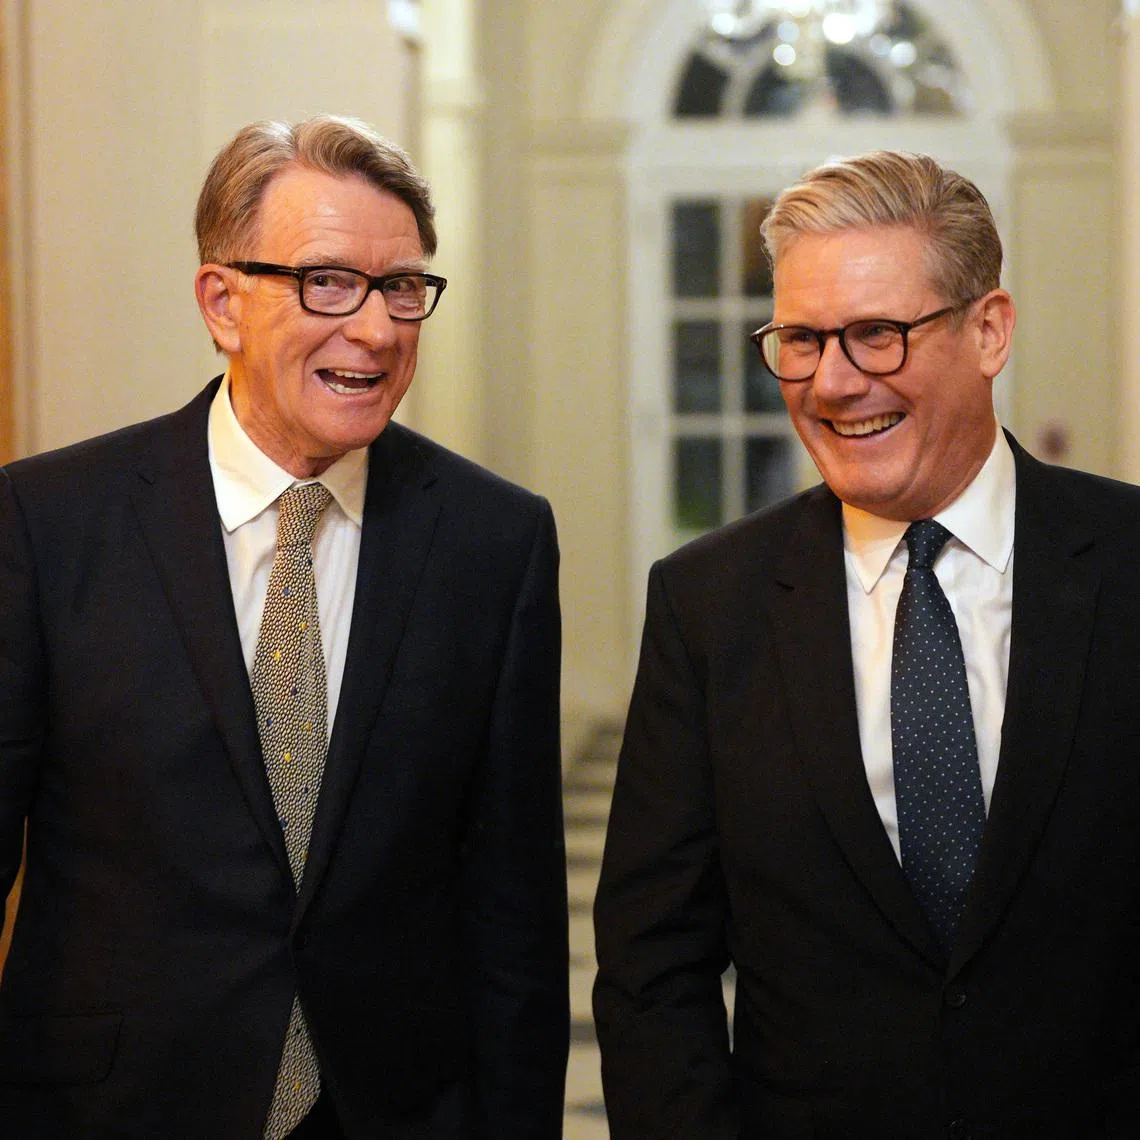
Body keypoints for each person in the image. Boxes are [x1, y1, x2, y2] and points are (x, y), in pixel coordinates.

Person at [0, 115, 568, 1139]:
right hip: (111, 1106)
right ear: (223, 302)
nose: (379, 329)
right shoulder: (45, 525)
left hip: (397, 1107)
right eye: (328, 283)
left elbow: (514, 911)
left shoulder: (496, 542)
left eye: (402, 288)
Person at [593, 150, 1140, 1138]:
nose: (835, 383)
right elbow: (651, 965)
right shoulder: (709, 605)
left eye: (878, 336)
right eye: (801, 341)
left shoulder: (1128, 565)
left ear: (989, 329)